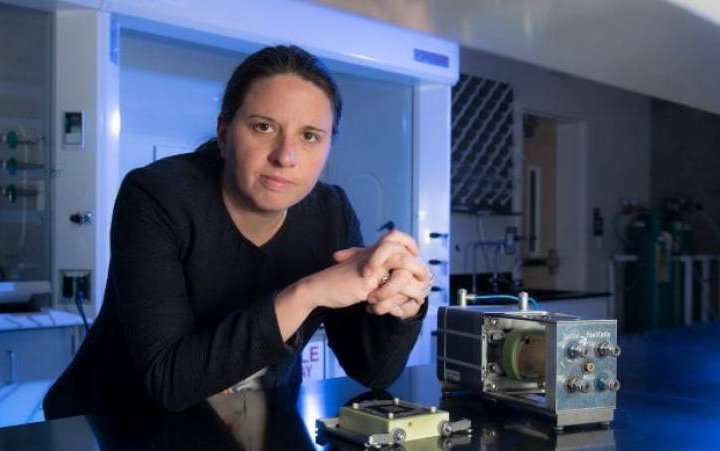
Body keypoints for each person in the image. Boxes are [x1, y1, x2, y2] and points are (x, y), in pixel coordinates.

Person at [43, 45, 432, 419]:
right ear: (225, 132)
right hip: (118, 427)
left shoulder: (329, 215)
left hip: (247, 429)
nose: (285, 157)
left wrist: (400, 306)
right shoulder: (157, 197)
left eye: (310, 135)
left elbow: (373, 373)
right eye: (264, 127)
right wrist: (308, 292)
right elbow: (168, 381)